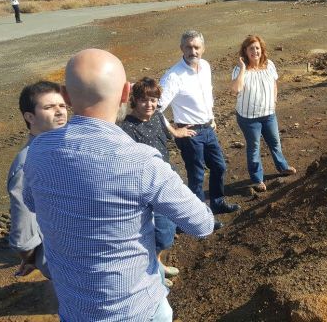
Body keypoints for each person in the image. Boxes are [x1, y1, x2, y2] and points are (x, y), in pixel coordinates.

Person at [23, 49, 215, 321]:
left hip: (74, 308)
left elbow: (31, 202)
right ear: (126, 94)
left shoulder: (38, 150)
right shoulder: (142, 162)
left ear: (65, 96)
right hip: (137, 309)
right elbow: (202, 225)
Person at [119, 77, 196, 287]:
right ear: (134, 101)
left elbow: (166, 129)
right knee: (157, 234)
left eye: (153, 100)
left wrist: (177, 132)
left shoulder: (157, 116)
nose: (150, 105)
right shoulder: (126, 128)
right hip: (144, 191)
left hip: (164, 181)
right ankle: (153, 276)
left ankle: (157, 263)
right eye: (144, 100)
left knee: (166, 231)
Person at [159, 30, 240, 216]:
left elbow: (206, 95)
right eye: (188, 47)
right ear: (181, 48)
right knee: (196, 176)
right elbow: (156, 108)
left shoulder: (205, 66)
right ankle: (199, 215)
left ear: (203, 49)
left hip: (208, 128)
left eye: (196, 47)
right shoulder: (173, 76)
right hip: (190, 134)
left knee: (219, 166)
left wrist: (211, 117)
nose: (193, 51)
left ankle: (217, 203)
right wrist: (173, 130)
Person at [7, 81, 67, 279]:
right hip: (62, 258)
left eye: (62, 105)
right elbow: (23, 235)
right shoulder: (28, 164)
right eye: (49, 107)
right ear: (29, 117)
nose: (59, 112)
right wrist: (31, 256)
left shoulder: (69, 146)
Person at [230, 35, 296, 192]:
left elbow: (274, 84)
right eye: (251, 48)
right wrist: (243, 69)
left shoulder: (269, 65)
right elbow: (235, 90)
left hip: (269, 115)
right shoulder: (239, 70)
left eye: (257, 48)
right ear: (245, 51)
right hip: (249, 118)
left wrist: (274, 101)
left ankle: (282, 167)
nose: (255, 51)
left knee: (275, 142)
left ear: (262, 50)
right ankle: (257, 178)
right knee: (254, 147)